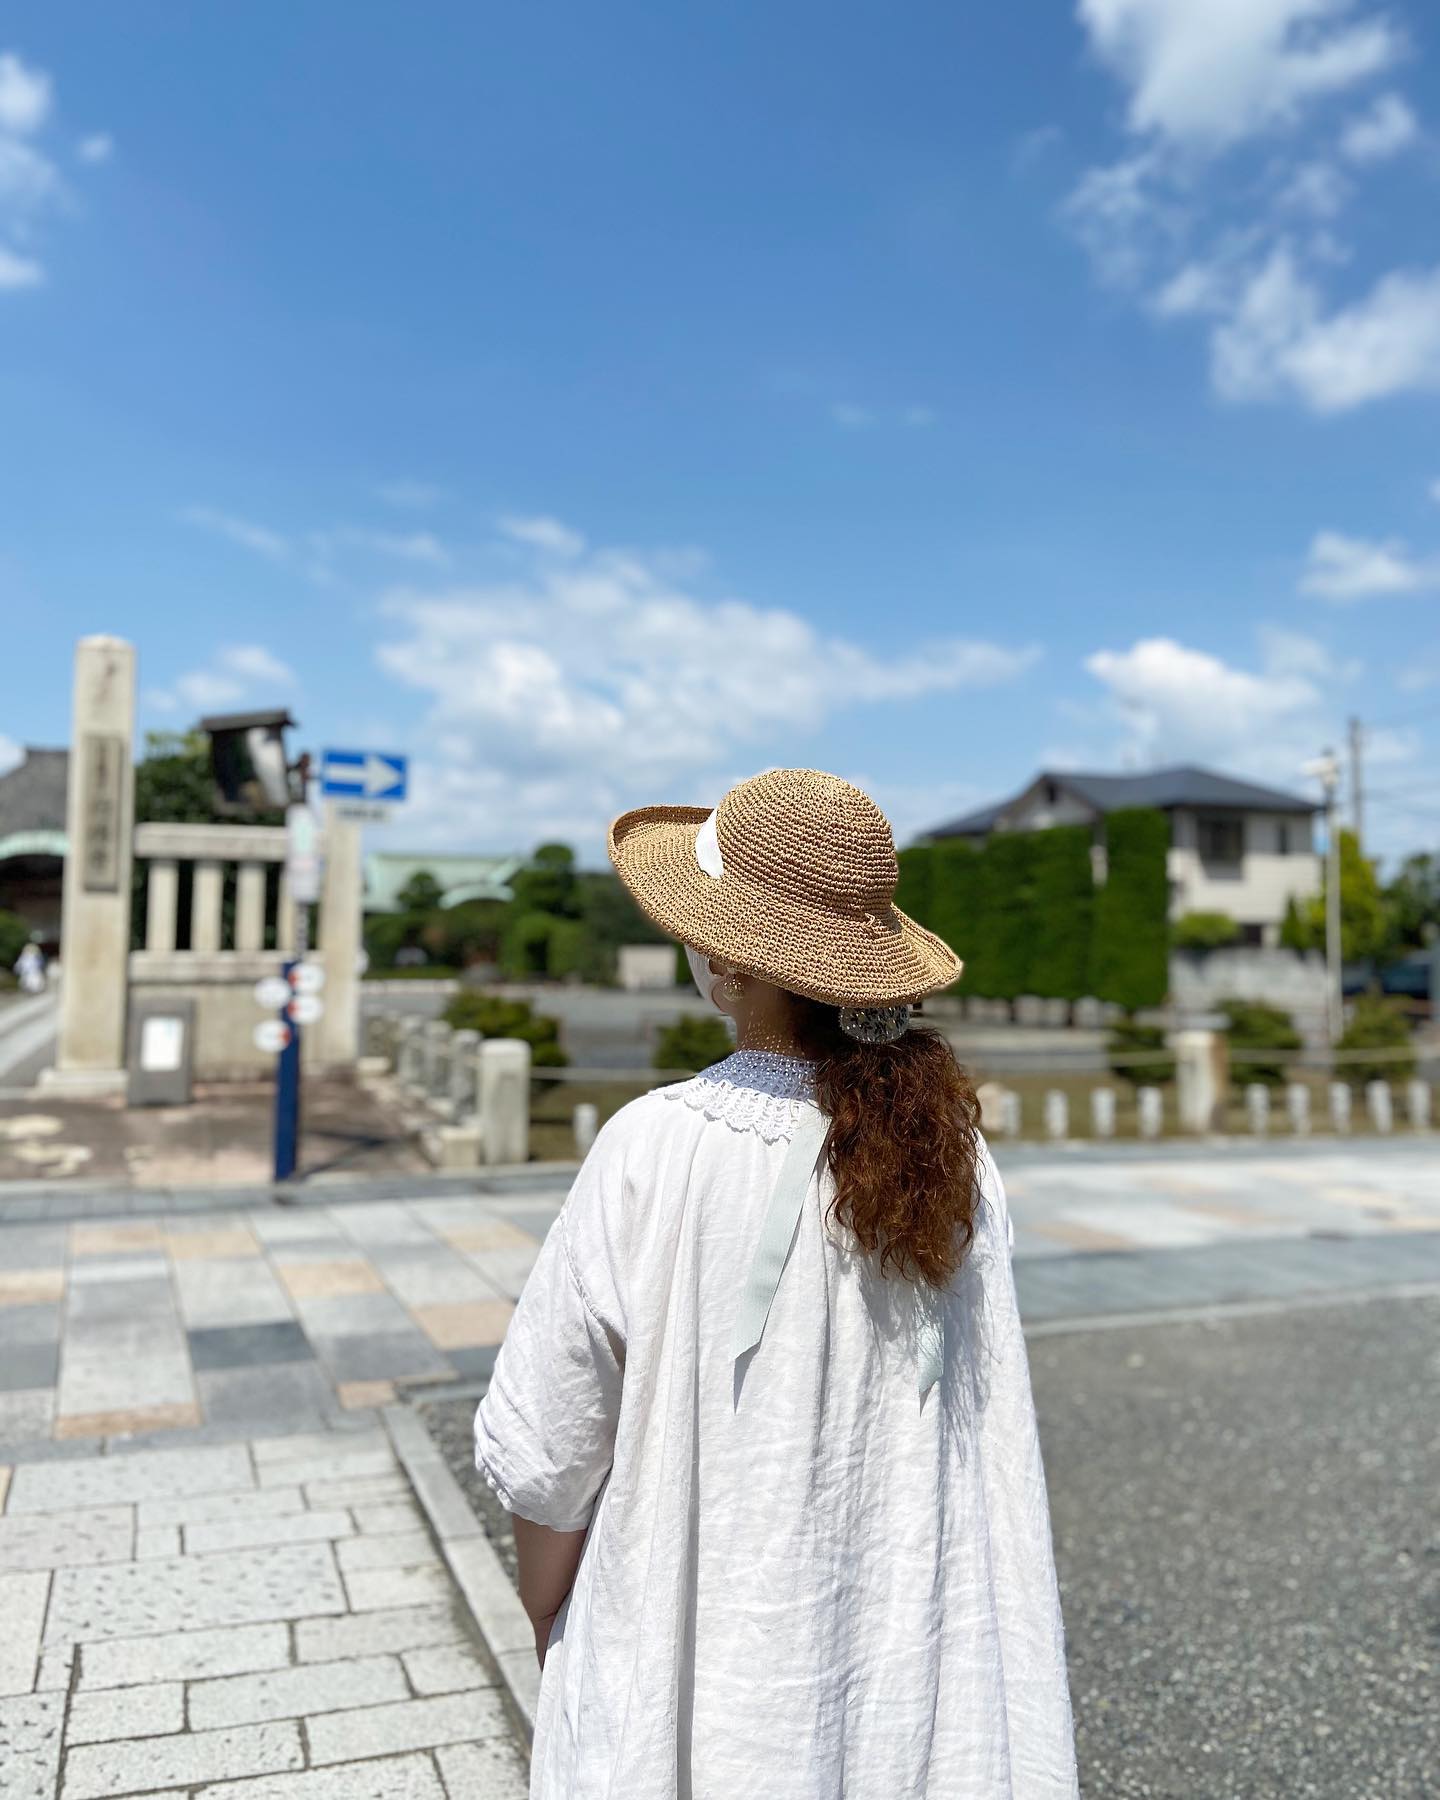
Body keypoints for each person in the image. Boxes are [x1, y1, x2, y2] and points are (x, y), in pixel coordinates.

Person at [474, 768, 1079, 1798]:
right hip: (907, 1651)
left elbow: (549, 1440)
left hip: (706, 1660)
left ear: (728, 962)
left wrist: (549, 1615)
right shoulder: (955, 1154)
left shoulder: (654, 1145)